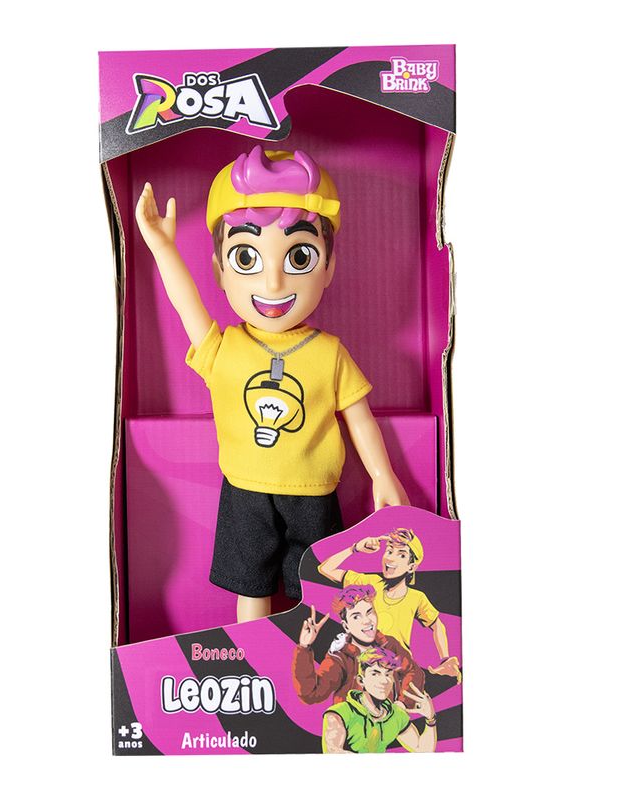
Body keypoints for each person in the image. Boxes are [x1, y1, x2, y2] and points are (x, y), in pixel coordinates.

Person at [135, 146, 408, 622]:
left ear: (329, 268)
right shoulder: (225, 349)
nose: (275, 283)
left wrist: (383, 475)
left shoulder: (329, 353)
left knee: (318, 588)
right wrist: (162, 247)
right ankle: (253, 652)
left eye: (299, 257)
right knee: (251, 586)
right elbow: (186, 306)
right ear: (220, 270)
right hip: (244, 490)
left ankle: (310, 655)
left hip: (314, 492)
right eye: (247, 258)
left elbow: (359, 418)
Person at [317, 527, 461, 681]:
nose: (391, 559)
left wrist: (445, 659)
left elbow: (437, 625)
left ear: (411, 567)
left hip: (399, 671)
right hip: (366, 668)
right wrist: (355, 548)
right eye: (389, 551)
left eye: (402, 555)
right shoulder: (370, 582)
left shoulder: (417, 598)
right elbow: (325, 568)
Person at [292, 585, 425, 707]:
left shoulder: (389, 645)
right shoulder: (340, 659)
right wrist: (304, 647)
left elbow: (414, 672)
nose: (366, 621)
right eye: (356, 617)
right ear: (346, 626)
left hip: (390, 722)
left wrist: (403, 704)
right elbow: (311, 694)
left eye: (369, 612)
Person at [322, 648, 437, 754]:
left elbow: (423, 751)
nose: (384, 681)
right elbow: (333, 753)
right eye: (375, 674)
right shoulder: (339, 713)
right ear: (361, 680)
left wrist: (430, 719)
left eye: (388, 674)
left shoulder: (396, 714)